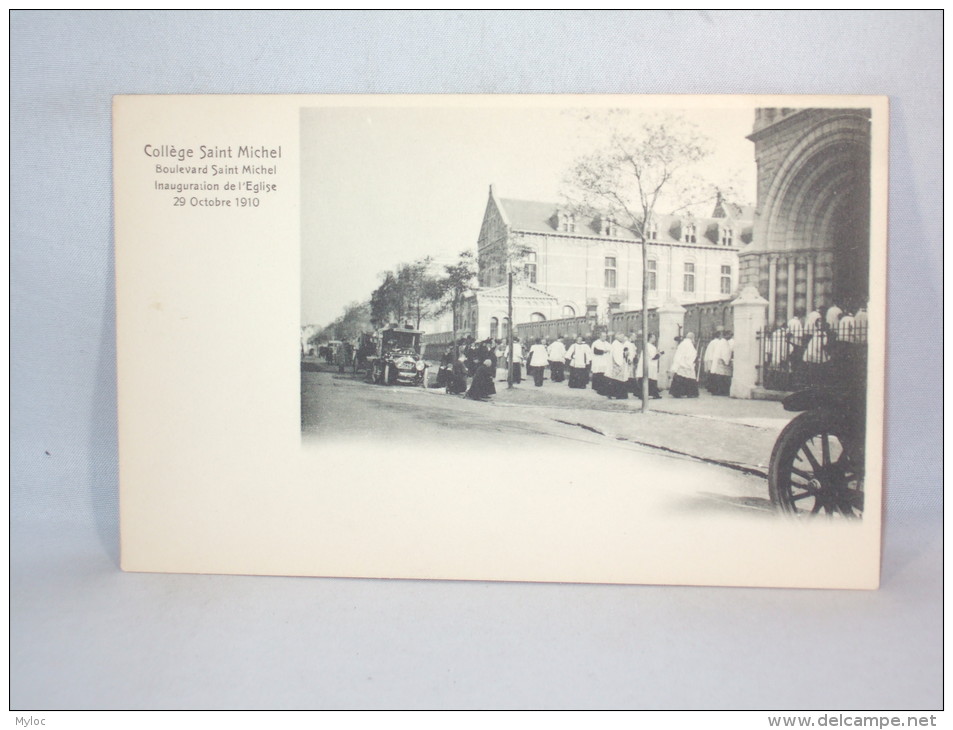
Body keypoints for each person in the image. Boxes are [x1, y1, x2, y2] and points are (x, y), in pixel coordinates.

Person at [669, 331, 699, 398]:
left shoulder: (682, 343)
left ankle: (677, 393)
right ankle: (691, 393)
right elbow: (691, 354)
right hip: (687, 364)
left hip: (681, 363)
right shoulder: (689, 344)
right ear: (692, 338)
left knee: (680, 378)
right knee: (689, 378)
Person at [635, 332, 662, 399]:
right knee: (649, 380)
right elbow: (653, 357)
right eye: (654, 337)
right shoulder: (649, 346)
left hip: (649, 366)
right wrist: (659, 354)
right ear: (650, 338)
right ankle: (645, 394)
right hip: (648, 366)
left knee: (648, 380)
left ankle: (646, 394)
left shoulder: (649, 346)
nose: (655, 339)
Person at [708, 329, 732, 396]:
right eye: (730, 334)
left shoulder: (722, 341)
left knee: (718, 376)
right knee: (720, 377)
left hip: (718, 360)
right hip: (721, 361)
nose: (731, 336)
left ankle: (717, 391)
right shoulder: (724, 342)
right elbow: (725, 353)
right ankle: (720, 391)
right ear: (726, 335)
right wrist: (727, 361)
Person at [606, 331, 629, 399]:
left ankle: (615, 394)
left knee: (618, 380)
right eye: (622, 337)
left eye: (623, 337)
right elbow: (617, 355)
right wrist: (623, 355)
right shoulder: (616, 344)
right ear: (617, 337)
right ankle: (618, 395)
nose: (623, 338)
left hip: (621, 363)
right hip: (617, 364)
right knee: (617, 380)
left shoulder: (620, 344)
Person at [590, 331, 610, 395]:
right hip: (598, 361)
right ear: (600, 336)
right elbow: (595, 351)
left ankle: (603, 388)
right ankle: (597, 387)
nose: (604, 337)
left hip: (605, 361)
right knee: (598, 374)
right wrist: (604, 351)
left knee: (604, 375)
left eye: (605, 336)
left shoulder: (607, 343)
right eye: (603, 336)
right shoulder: (596, 343)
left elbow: (611, 350)